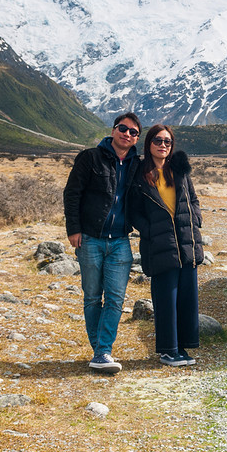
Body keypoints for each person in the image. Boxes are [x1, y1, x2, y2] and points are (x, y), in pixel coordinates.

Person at [63, 112, 142, 374]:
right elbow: (72, 193)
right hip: (90, 239)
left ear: (136, 138)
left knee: (116, 298)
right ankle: (100, 352)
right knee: (93, 297)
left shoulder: (136, 164)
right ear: (113, 129)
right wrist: (74, 229)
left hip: (120, 240)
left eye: (133, 132)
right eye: (123, 128)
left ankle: (102, 351)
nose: (127, 134)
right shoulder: (90, 157)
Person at [126, 125, 203, 367]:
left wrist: (196, 219)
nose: (163, 145)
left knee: (186, 299)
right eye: (158, 140)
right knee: (166, 300)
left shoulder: (179, 170)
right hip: (159, 244)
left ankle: (182, 347)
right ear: (148, 144)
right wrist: (148, 230)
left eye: (168, 142)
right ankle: (168, 351)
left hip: (186, 241)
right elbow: (132, 211)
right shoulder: (139, 174)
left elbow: (193, 199)